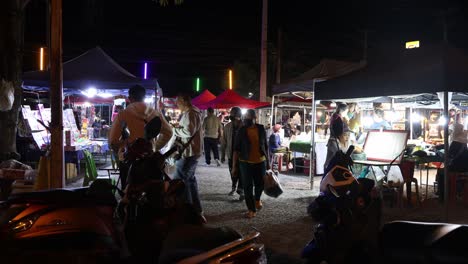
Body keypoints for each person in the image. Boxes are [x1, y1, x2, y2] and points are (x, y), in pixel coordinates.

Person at [109, 85, 173, 189]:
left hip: (128, 159)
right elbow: (168, 132)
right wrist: (155, 147)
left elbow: (113, 141)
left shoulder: (123, 114)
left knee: (128, 192)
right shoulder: (155, 113)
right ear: (144, 97)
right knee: (150, 189)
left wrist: (122, 149)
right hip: (149, 158)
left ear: (130, 98)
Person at [232, 109, 270, 218]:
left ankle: (257, 199)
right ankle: (251, 209)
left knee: (260, 184)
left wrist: (268, 161)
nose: (246, 119)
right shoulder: (242, 130)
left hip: (260, 161)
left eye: (249, 117)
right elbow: (236, 149)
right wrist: (234, 166)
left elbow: (265, 146)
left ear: (254, 118)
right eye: (246, 117)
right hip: (245, 162)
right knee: (247, 187)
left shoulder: (261, 128)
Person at [173, 94, 205, 220]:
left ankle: (188, 211)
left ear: (184, 101)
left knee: (180, 182)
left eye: (178, 102)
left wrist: (174, 129)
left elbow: (188, 132)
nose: (177, 105)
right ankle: (197, 210)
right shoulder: (194, 112)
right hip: (193, 151)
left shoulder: (190, 113)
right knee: (190, 181)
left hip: (188, 152)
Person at [220, 107, 244, 200]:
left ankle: (241, 190)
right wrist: (222, 155)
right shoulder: (227, 127)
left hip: (242, 155)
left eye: (236, 115)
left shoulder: (244, 126)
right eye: (234, 115)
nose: (235, 118)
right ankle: (234, 187)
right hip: (231, 154)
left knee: (242, 173)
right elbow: (224, 142)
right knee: (232, 172)